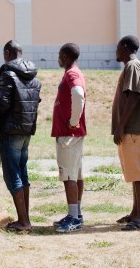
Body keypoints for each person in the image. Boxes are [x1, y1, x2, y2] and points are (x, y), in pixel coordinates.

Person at [0, 40, 41, 233]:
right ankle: (25, 218)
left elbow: (4, 103)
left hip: (11, 130)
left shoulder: (7, 73)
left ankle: (23, 221)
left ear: (7, 53)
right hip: (26, 129)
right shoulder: (33, 76)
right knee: (22, 172)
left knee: (13, 175)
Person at [111, 36, 140, 230]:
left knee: (138, 174)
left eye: (118, 47)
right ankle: (135, 213)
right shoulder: (131, 66)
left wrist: (121, 126)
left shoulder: (132, 66)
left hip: (133, 130)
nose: (116, 51)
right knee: (133, 174)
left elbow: (133, 98)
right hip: (131, 130)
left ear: (125, 47)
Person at [52, 43, 87, 233]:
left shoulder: (71, 74)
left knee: (69, 176)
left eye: (59, 54)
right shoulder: (75, 72)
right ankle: (77, 213)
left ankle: (73, 217)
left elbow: (78, 94)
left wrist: (73, 120)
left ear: (65, 56)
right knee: (75, 174)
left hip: (68, 134)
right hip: (72, 133)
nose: (58, 58)